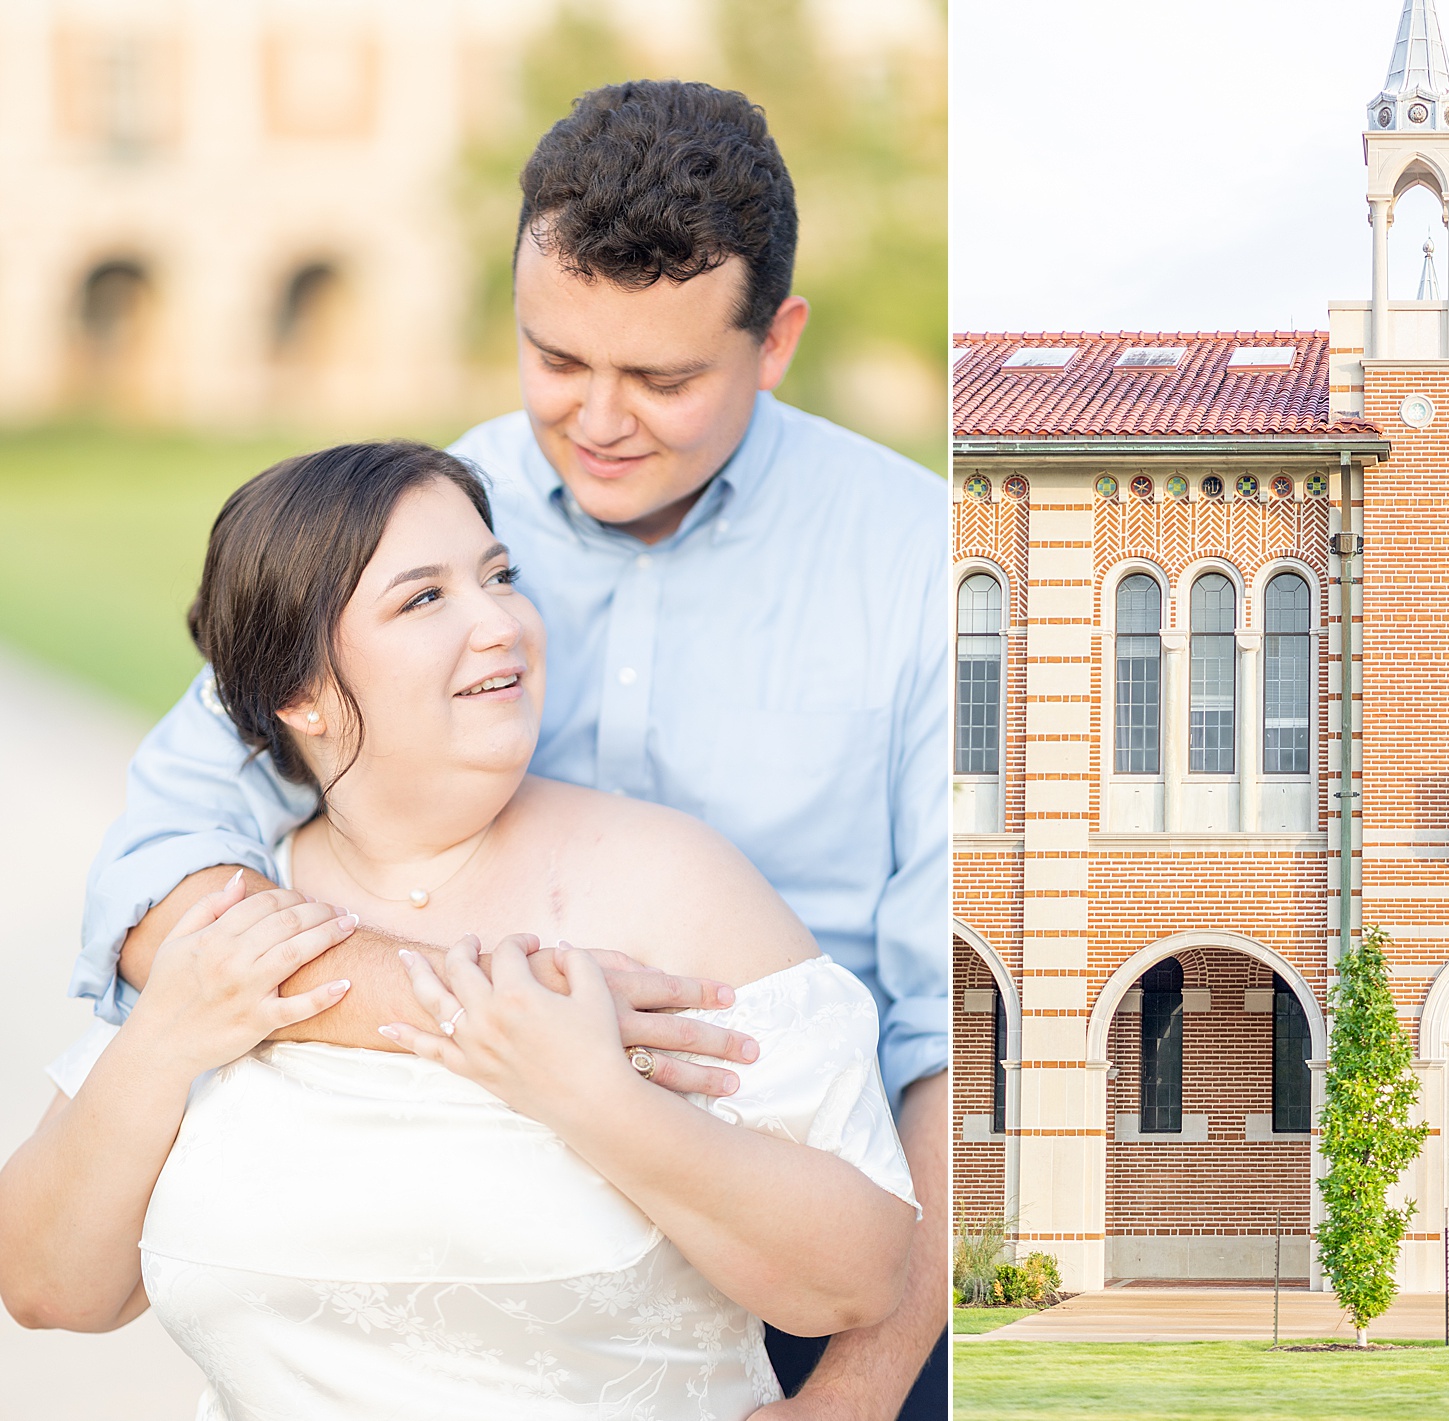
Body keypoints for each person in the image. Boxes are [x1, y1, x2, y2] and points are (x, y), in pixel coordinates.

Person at [71, 81, 948, 1418]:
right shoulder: (411, 531)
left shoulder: (923, 563)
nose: (598, 418)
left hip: (826, 1246)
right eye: (556, 358)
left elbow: (967, 1022)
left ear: (776, 341)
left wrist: (862, 1388)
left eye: (662, 379)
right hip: (476, 1241)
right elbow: (158, 869)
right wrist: (496, 1006)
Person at [0, 443, 919, 1419]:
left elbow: (855, 1276)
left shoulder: (677, 886)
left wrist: (594, 1096)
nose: (503, 622)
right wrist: (163, 1036)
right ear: (300, 695)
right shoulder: (237, 916)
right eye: (425, 598)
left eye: (500, 576)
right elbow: (52, 1288)